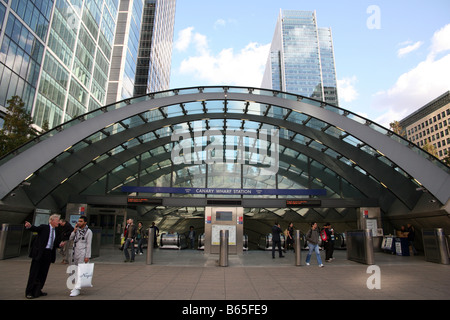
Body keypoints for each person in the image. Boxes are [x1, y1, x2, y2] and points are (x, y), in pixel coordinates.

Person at [24, 214, 62, 299]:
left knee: (43, 273)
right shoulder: (44, 227)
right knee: (34, 273)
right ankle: (29, 292)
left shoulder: (57, 231)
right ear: (52, 221)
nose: (58, 222)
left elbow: (55, 243)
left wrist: (59, 244)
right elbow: (35, 229)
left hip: (48, 254)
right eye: (57, 220)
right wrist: (29, 226)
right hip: (40, 253)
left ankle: (38, 290)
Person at [69, 215, 93, 297]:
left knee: (80, 271)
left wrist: (87, 256)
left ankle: (77, 288)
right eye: (78, 221)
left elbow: (89, 244)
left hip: (83, 252)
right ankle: (75, 286)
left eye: (81, 221)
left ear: (85, 222)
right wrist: (74, 231)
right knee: (74, 270)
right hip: (75, 252)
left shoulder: (88, 232)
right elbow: (70, 238)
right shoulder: (77, 230)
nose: (79, 223)